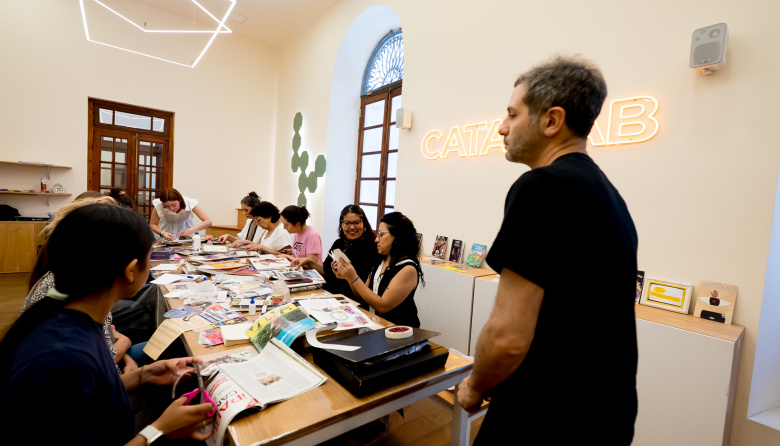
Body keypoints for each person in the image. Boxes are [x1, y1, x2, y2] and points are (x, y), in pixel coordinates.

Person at [456, 56, 638, 444]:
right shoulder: (612, 198)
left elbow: (507, 337)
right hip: (606, 415)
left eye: (512, 114)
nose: (502, 127)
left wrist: (474, 386)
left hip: (546, 415)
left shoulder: (541, 187)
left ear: (551, 121)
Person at [0, 204, 214, 444]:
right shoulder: (65, 358)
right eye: (149, 257)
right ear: (131, 271)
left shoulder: (66, 317)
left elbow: (91, 394)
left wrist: (142, 375)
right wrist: (158, 431)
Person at [332, 212, 423, 328]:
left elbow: (382, 307)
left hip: (398, 331)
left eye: (381, 234)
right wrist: (348, 277)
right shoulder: (381, 260)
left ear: (397, 236)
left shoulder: (408, 269)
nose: (376, 240)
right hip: (377, 325)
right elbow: (362, 295)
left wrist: (354, 277)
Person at [292, 205, 379, 298]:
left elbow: (364, 292)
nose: (352, 227)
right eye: (347, 223)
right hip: (326, 293)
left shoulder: (372, 247)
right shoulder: (339, 243)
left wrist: (349, 276)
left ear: (364, 223)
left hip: (348, 299)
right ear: (341, 225)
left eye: (357, 222)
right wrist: (309, 262)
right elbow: (326, 271)